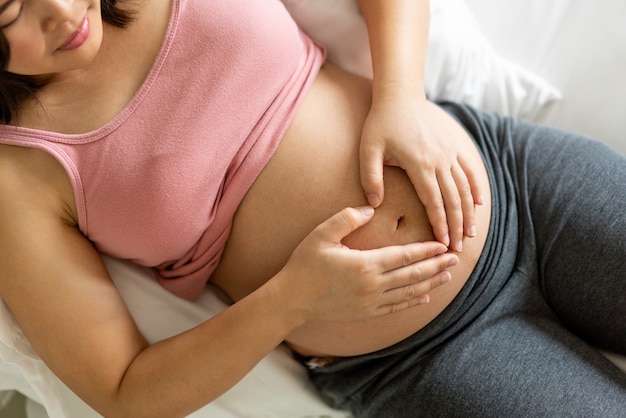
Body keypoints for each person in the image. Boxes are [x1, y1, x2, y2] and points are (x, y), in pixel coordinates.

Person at [0, 0, 623, 417]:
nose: (58, 11)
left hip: (518, 179)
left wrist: (401, 96)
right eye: (10, 8)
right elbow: (124, 388)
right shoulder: (18, 175)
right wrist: (292, 298)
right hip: (413, 356)